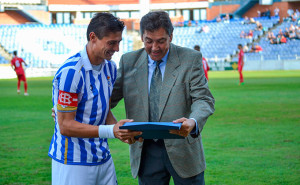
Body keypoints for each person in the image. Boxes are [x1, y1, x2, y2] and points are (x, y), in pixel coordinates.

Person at [111, 11, 215, 184]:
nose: (154, 47)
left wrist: (193, 121)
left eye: (161, 41)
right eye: (149, 41)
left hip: (184, 149)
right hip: (145, 151)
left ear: (171, 36)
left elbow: (203, 99)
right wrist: (73, 110)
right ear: (142, 37)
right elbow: (107, 99)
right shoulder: (128, 61)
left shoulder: (190, 59)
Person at [48, 13, 141, 185]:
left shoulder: (110, 68)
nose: (117, 48)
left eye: (119, 42)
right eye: (111, 43)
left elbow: (103, 111)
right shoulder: (72, 72)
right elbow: (65, 126)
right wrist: (112, 130)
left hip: (103, 157)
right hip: (73, 161)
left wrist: (122, 131)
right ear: (93, 37)